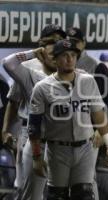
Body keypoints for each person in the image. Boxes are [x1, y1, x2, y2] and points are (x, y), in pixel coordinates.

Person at [27, 39, 108, 199]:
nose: (70, 59)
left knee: (84, 194)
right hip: (57, 149)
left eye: (73, 55)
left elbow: (99, 115)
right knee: (57, 195)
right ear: (54, 59)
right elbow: (34, 126)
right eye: (64, 55)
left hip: (85, 148)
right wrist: (36, 156)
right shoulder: (42, 87)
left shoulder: (88, 81)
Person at [2, 24, 66, 200]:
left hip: (57, 136)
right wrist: (6, 129)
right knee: (26, 186)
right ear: (42, 44)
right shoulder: (27, 67)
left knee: (54, 189)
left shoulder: (67, 68)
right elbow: (14, 101)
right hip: (28, 129)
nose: (57, 43)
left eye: (60, 39)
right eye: (52, 39)